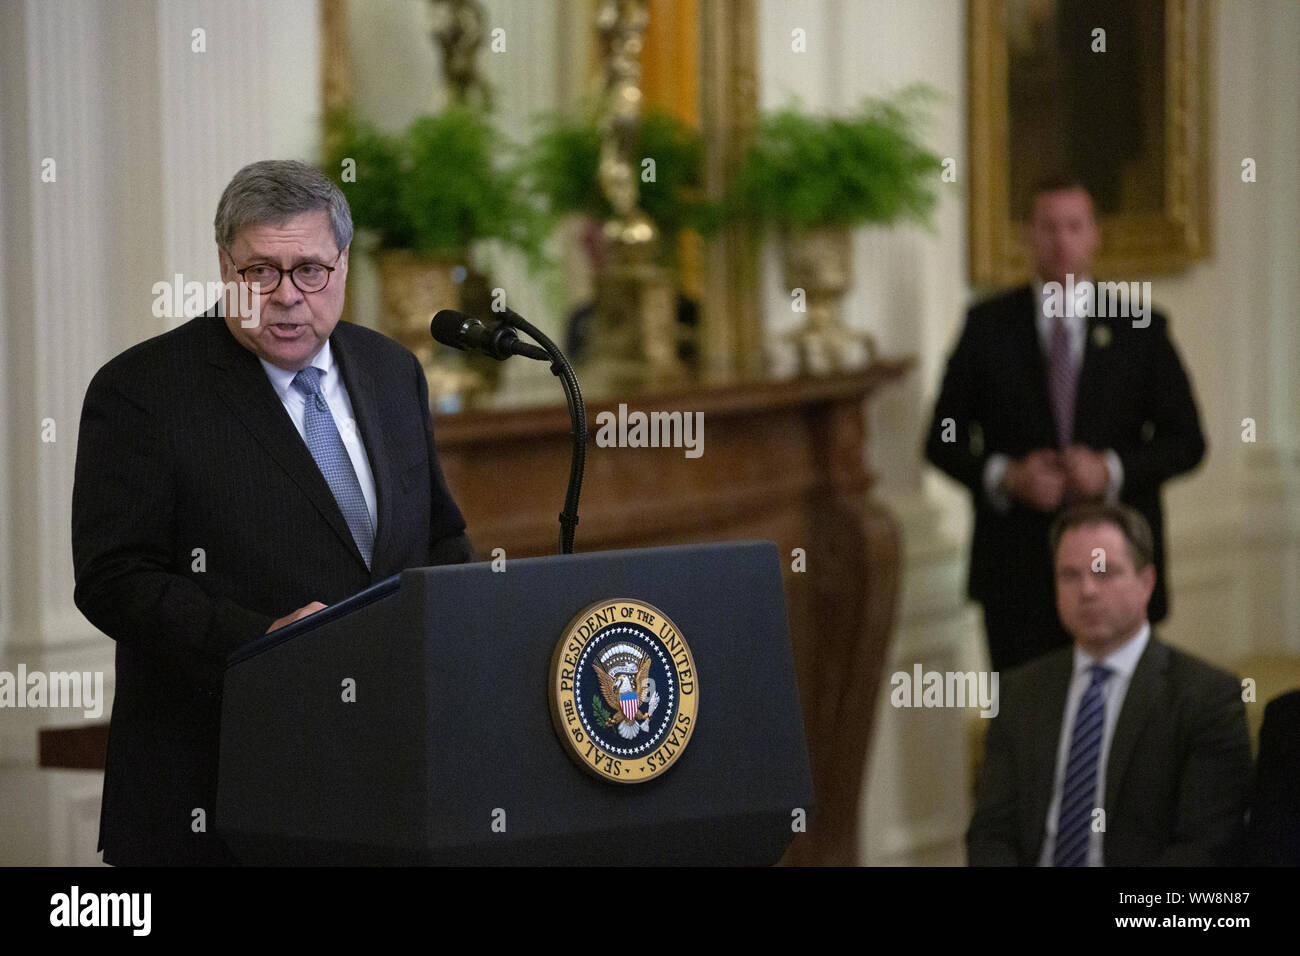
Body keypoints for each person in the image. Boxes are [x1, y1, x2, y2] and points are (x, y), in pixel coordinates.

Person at [71, 160, 473, 865]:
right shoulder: (142, 392)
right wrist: (263, 642)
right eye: (260, 272)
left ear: (343, 267)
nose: (286, 297)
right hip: (218, 790)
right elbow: (114, 577)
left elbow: (441, 536)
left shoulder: (390, 369)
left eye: (310, 270)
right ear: (225, 267)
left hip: (383, 782)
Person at [924, 179, 1205, 672]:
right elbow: (942, 437)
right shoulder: (986, 327)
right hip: (1017, 579)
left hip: (1117, 571)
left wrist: (1111, 470)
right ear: (1028, 237)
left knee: (1123, 737)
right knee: (1025, 736)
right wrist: (1006, 476)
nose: (1061, 241)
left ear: (1095, 235)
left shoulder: (1139, 327)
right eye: (1048, 227)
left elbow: (1187, 442)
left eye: (1074, 227)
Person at [967, 503, 1251, 866]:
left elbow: (1205, 848)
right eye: (1070, 576)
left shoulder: (1205, 698)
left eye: (1104, 573)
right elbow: (991, 834)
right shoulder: (1021, 692)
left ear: (1146, 582)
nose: (1086, 590)